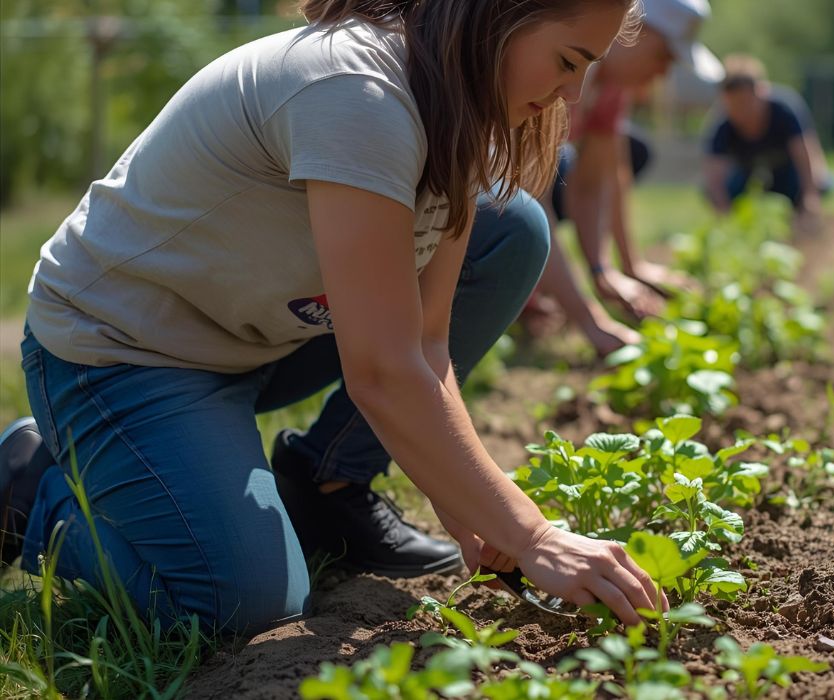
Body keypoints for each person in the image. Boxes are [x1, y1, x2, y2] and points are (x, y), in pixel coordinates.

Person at [0, 0, 668, 637]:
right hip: (127, 352)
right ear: (499, 16)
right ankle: (34, 491)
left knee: (512, 227)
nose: (574, 96)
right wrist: (535, 536)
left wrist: (468, 506)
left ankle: (329, 482)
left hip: (254, 335)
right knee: (237, 603)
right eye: (569, 60)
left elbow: (425, 345)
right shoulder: (357, 92)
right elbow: (382, 370)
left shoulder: (459, 108)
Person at [528, 0, 722, 356]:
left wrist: (606, 272)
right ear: (633, 31)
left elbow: (594, 183)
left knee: (632, 152)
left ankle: (537, 280)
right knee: (519, 221)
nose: (663, 74)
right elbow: (530, 202)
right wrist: (592, 321)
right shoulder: (556, 76)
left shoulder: (612, 88)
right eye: (663, 56)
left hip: (526, 184)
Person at [702, 54, 832, 225]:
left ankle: (799, 219)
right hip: (747, 178)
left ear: (761, 93)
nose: (741, 113)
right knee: (710, 189)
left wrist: (810, 198)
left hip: (788, 173)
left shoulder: (784, 111)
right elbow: (715, 179)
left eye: (746, 103)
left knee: (824, 182)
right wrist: (728, 221)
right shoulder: (721, 124)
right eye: (734, 106)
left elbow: (806, 155)